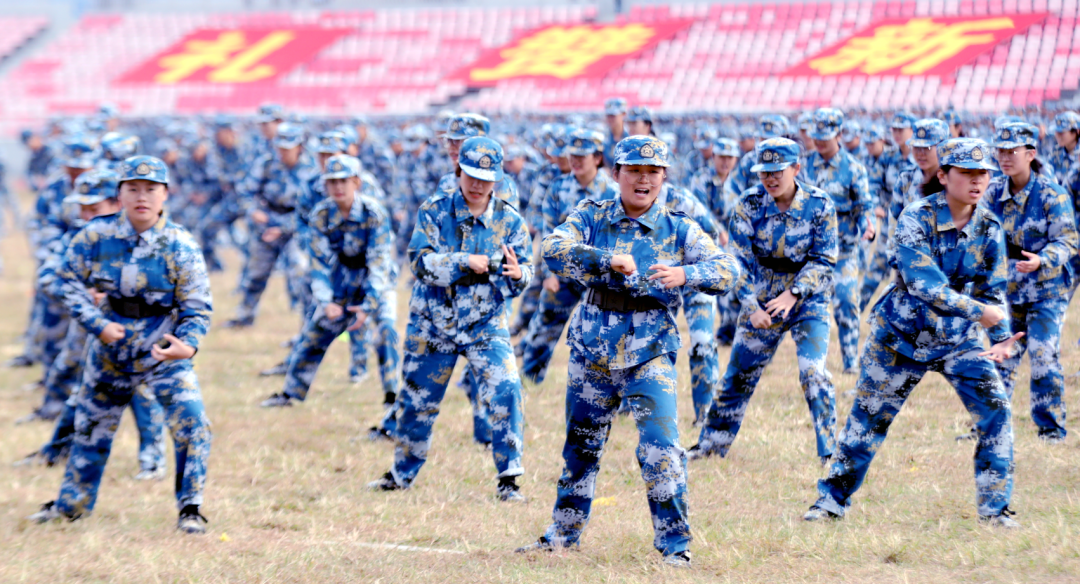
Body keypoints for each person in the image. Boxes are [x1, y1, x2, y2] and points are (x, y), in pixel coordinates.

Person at [516, 136, 740, 568]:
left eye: (653, 172)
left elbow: (727, 270)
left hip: (649, 351)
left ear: (663, 178)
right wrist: (606, 260)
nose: (643, 180)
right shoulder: (592, 215)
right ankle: (563, 535)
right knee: (581, 448)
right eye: (634, 171)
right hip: (592, 351)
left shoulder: (679, 227)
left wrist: (685, 273)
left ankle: (675, 547)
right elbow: (554, 249)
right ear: (615, 173)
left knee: (661, 448)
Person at [804, 138, 1023, 528]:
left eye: (983, 174)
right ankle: (830, 501)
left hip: (957, 339)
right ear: (943, 176)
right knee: (866, 422)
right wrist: (982, 313)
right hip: (901, 336)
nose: (977, 181)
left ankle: (994, 510)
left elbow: (993, 289)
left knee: (996, 411)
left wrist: (1002, 335)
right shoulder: (915, 218)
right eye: (967, 173)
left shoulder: (989, 226)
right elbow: (927, 286)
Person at [28, 155, 213, 534]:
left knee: (192, 421)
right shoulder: (95, 236)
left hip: (163, 347)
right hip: (111, 346)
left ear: (165, 195)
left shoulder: (181, 244)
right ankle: (71, 507)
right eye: (133, 189)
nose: (141, 197)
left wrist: (188, 346)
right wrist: (96, 324)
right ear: (120, 194)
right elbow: (67, 281)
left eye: (150, 190)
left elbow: (197, 305)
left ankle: (190, 508)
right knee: (91, 427)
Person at [367, 136, 533, 501]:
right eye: (471, 175)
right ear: (458, 171)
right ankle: (401, 474)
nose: (477, 185)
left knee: (506, 390)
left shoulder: (510, 220)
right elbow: (419, 262)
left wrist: (519, 275)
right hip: (433, 324)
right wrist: (462, 262)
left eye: (485, 179)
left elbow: (526, 271)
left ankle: (509, 479)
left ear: (498, 180)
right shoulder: (434, 210)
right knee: (416, 402)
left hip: (486, 325)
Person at [688, 137, 839, 465]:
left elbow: (825, 259)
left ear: (796, 169)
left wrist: (795, 293)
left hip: (807, 298)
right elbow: (737, 260)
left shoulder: (820, 204)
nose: (770, 179)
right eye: (764, 172)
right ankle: (711, 444)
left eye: (777, 171)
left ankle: (831, 452)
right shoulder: (749, 204)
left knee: (813, 372)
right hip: (762, 294)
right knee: (738, 374)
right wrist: (751, 305)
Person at [259, 155, 400, 418]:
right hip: (341, 282)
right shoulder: (322, 214)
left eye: (344, 181)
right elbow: (318, 264)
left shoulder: (374, 213)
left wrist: (368, 305)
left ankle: (392, 397)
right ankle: (290, 393)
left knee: (387, 331)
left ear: (356, 182)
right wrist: (327, 302)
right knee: (312, 335)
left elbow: (379, 263)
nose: (338, 187)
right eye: (332, 182)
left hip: (377, 283)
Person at [985, 122, 1077, 444]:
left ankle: (1050, 429)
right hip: (1009, 294)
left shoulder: (1052, 194)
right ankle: (989, 426)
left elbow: (1068, 241)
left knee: (1042, 355)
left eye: (1013, 151)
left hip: (1047, 291)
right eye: (1000, 151)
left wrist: (1043, 259)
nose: (1005, 157)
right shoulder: (992, 192)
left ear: (1031, 154)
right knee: (1001, 358)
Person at [519, 127, 618, 383]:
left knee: (605, 333)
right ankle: (530, 378)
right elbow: (548, 234)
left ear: (596, 158)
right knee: (546, 322)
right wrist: (547, 274)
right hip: (564, 271)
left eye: (581, 156)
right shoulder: (557, 188)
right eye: (572, 155)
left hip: (599, 273)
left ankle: (612, 391)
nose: (574, 160)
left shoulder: (612, 191)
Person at [800, 108, 874, 375]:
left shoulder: (853, 169)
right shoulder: (805, 165)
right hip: (811, 252)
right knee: (808, 308)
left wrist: (868, 224)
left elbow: (864, 205)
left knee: (845, 303)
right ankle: (812, 365)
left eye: (825, 137)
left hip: (843, 250)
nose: (819, 142)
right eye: (816, 137)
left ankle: (851, 361)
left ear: (840, 135)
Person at [223, 122, 319, 328]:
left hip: (295, 227)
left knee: (300, 274)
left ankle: (307, 326)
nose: (282, 153)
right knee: (256, 273)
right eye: (279, 148)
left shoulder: (312, 170)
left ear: (300, 147)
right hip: (266, 222)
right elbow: (245, 191)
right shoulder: (267, 164)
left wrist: (284, 228)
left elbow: (314, 210)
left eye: (287, 148)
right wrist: (253, 211)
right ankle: (245, 315)